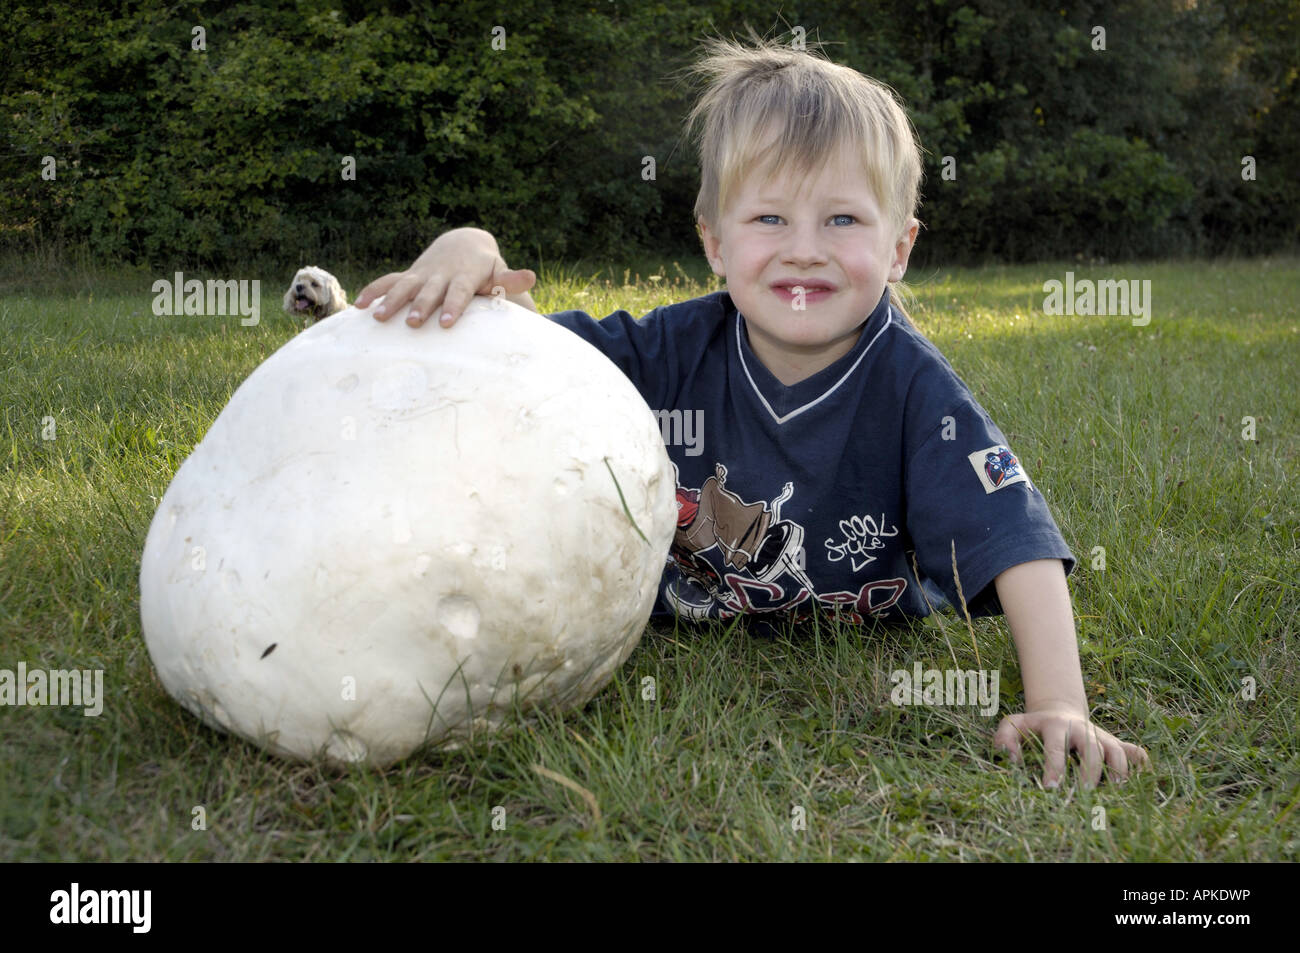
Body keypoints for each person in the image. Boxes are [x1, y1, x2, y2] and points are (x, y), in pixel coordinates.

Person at [355, 36, 1149, 789]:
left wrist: (1059, 703)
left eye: (842, 219)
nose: (804, 249)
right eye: (770, 219)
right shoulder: (669, 348)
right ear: (715, 241)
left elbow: (1014, 538)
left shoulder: (914, 387)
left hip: (854, 618)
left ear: (899, 247)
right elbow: (513, 357)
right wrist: (468, 245)